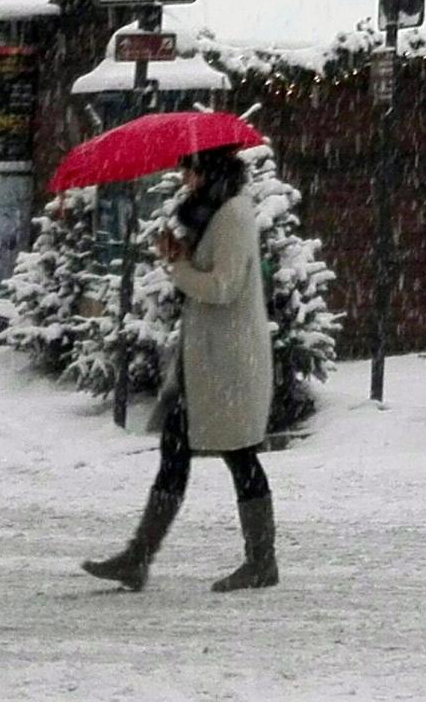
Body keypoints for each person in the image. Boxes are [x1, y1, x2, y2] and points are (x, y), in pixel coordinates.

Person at [83, 145, 280, 593]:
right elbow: (208, 272)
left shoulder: (231, 214)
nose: (183, 180)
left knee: (239, 454)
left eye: (188, 171)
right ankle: (139, 557)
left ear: (206, 170)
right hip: (208, 362)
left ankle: (261, 562)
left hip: (228, 362)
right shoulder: (216, 211)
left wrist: (178, 265)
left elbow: (223, 286)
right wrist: (182, 253)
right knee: (178, 451)